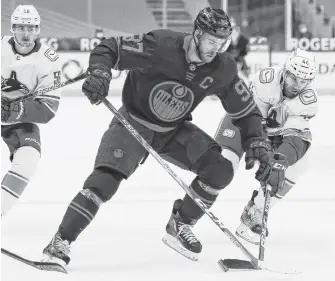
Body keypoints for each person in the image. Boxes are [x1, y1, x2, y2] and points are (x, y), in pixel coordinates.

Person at [42, 7, 282, 266]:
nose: (217, 49)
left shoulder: (223, 67)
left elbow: (245, 112)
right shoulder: (161, 44)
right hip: (132, 123)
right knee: (103, 182)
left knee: (220, 170)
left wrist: (257, 140)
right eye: (212, 41)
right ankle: (59, 242)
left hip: (173, 131)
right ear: (197, 34)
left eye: (222, 43)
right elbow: (109, 48)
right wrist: (100, 72)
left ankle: (180, 224)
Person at [214, 48, 318, 244]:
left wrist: (279, 161)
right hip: (242, 121)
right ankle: (189, 213)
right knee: (223, 165)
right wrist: (263, 152)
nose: (297, 85)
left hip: (273, 133)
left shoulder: (309, 100)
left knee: (296, 168)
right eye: (293, 78)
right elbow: (251, 120)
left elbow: (296, 137)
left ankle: (255, 212)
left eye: (303, 81)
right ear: (285, 71)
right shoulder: (266, 80)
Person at [1, 5, 62, 216]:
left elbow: (48, 109)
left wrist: (15, 111)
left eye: (31, 28)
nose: (26, 34)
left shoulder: (48, 59)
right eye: (21, 28)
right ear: (12, 28)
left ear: (38, 30)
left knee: (28, 161)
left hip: (19, 120)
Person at [226, 17, 250, 81]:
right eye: (232, 29)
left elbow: (244, 53)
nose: (234, 31)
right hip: (227, 60)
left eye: (235, 29)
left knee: (242, 63)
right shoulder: (224, 40)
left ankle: (248, 80)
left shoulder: (243, 41)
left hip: (238, 59)